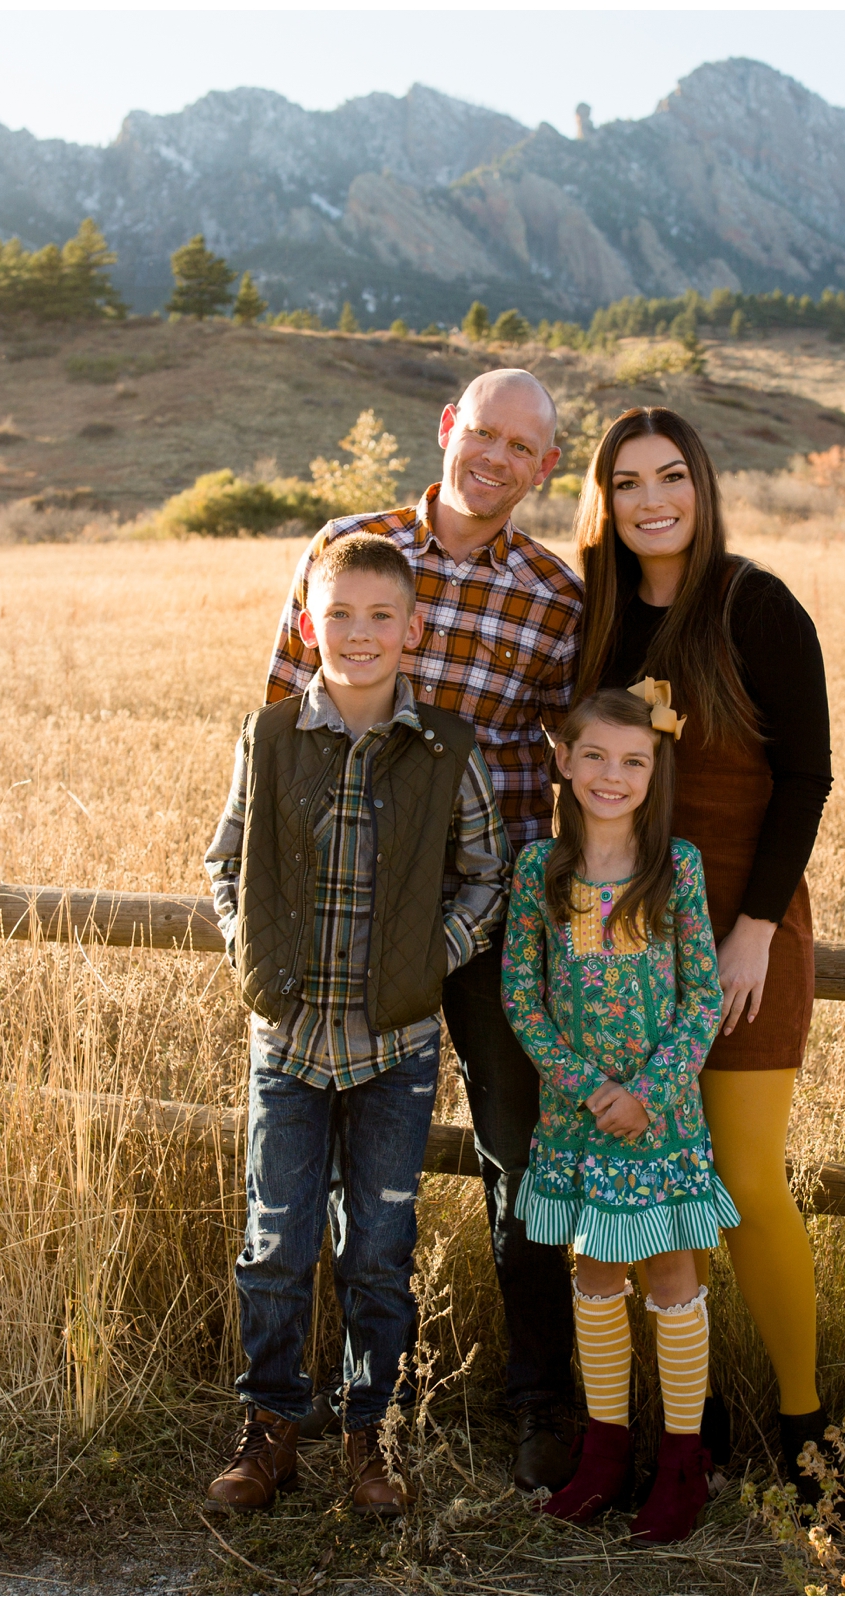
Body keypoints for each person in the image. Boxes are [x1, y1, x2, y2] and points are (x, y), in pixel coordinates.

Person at [263, 369, 587, 1492]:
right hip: (347, 907)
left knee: (519, 1146)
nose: (494, 458)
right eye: (481, 433)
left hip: (486, 911)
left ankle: (545, 1400)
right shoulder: (349, 549)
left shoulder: (554, 593)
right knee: (322, 1156)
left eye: (521, 448)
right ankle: (303, 1413)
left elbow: (578, 750)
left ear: (544, 469)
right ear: (447, 429)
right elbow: (278, 722)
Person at [203, 534, 510, 1516]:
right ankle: (270, 1431)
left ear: (414, 630)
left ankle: (368, 1435)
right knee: (276, 1242)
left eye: (383, 616)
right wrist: (252, 955)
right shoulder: (271, 737)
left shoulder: (444, 749)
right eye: (341, 615)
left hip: (394, 1053)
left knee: (378, 1247)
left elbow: (487, 875)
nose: (362, 633)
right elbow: (224, 862)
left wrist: (432, 959)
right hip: (289, 1045)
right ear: (309, 626)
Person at [569, 406, 836, 1507]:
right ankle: (696, 1415)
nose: (650, 501)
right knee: (650, 1187)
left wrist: (755, 931)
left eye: (669, 476)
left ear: (703, 484)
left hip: (740, 935)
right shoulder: (593, 613)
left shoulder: (752, 604)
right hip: (622, 945)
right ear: (604, 498)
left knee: (744, 1179)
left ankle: (807, 1424)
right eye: (626, 483)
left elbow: (808, 776)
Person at [502, 684, 732, 1545]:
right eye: (593, 756)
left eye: (633, 761)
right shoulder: (541, 872)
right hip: (576, 1118)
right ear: (562, 761)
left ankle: (680, 1463)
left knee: (671, 1277)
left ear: (654, 769)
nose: (611, 775)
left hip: (661, 1121)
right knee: (595, 1275)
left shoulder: (677, 868)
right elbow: (522, 996)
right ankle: (603, 1454)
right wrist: (587, 1087)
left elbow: (701, 999)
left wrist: (650, 1092)